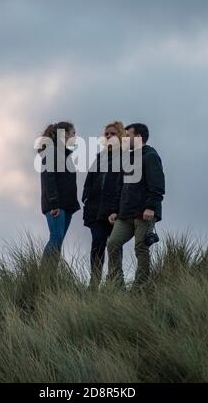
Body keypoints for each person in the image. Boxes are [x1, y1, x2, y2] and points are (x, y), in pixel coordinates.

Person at [107, 123, 165, 290]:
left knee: (141, 247)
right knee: (112, 243)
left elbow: (157, 185)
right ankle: (117, 285)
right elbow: (121, 186)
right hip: (125, 214)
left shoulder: (151, 156)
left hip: (143, 213)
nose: (125, 139)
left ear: (139, 138)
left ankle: (141, 287)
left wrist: (151, 207)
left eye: (128, 136)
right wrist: (115, 211)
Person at [82, 121, 125, 290]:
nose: (108, 136)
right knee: (97, 243)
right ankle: (94, 283)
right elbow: (89, 181)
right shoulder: (100, 157)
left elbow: (126, 184)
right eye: (106, 134)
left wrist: (119, 208)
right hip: (96, 211)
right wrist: (86, 198)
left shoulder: (126, 156)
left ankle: (115, 283)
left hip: (115, 211)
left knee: (114, 246)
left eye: (112, 133)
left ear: (120, 135)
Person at [38, 121, 80, 273]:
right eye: (73, 133)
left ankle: (50, 275)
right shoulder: (52, 151)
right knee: (56, 238)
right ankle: (43, 274)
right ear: (64, 134)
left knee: (58, 240)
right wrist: (54, 203)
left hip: (66, 205)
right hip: (56, 205)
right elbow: (49, 178)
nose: (75, 136)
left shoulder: (63, 154)